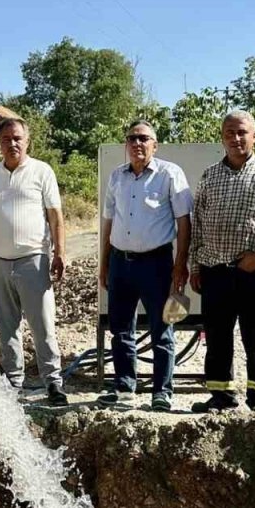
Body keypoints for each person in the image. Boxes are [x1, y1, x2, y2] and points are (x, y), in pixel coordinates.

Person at [189, 110, 255, 413]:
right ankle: (221, 398)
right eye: (229, 133)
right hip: (214, 272)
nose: (235, 139)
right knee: (218, 339)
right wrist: (196, 267)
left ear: (254, 136)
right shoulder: (210, 176)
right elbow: (197, 224)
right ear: (222, 138)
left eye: (241, 133)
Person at [0, 118, 69, 406]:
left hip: (32, 259)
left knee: (42, 324)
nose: (12, 143)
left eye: (17, 138)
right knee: (7, 326)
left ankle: (53, 383)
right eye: (6, 138)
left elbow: (55, 216)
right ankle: (13, 381)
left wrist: (60, 252)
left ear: (27, 141)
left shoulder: (41, 172)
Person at [98, 120, 192, 412]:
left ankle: (161, 392)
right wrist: (104, 265)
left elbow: (184, 222)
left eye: (144, 138)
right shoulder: (116, 177)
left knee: (161, 329)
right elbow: (109, 223)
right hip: (120, 264)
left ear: (155, 144)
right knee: (121, 329)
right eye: (132, 138)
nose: (137, 143)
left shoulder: (170, 174)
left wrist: (180, 264)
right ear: (126, 144)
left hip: (157, 264)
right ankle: (125, 388)